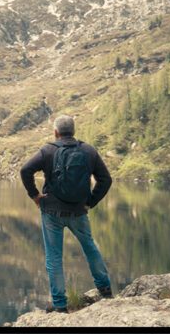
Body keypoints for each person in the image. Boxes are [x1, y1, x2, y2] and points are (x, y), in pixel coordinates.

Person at [20, 114, 113, 313]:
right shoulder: (88, 150)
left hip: (51, 212)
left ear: (56, 132)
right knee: (90, 247)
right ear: (74, 131)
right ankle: (105, 290)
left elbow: (25, 170)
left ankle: (60, 305)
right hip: (79, 211)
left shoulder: (47, 151)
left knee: (54, 257)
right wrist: (90, 202)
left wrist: (35, 196)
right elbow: (106, 180)